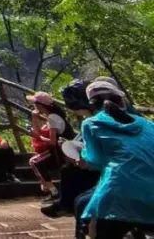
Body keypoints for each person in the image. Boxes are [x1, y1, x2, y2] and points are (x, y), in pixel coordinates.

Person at [74, 77, 154, 239]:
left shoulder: (90, 124)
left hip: (118, 193)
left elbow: (95, 161)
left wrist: (82, 160)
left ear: (91, 104)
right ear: (121, 100)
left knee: (90, 215)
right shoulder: (146, 123)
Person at [41, 79, 100, 219]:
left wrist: (81, 158)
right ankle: (65, 204)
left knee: (70, 170)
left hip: (106, 167)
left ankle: (66, 205)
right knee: (69, 169)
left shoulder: (93, 121)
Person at [25, 91, 73, 200]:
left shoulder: (52, 118)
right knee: (36, 161)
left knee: (35, 162)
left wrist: (37, 136)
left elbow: (52, 142)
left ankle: (51, 190)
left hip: (61, 150)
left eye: (35, 104)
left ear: (40, 105)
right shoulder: (54, 116)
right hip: (64, 147)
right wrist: (35, 118)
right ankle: (49, 188)